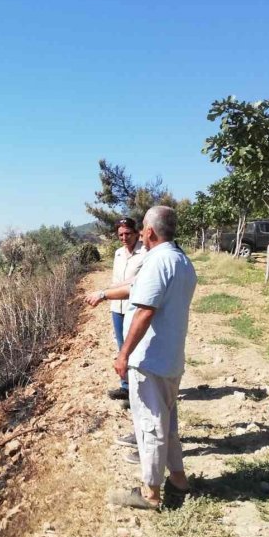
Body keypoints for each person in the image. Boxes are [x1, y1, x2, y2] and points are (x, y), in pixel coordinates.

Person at [111, 205, 197, 509]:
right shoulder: (182, 260)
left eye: (143, 228)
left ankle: (151, 494)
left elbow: (145, 310)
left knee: (150, 426)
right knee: (168, 424)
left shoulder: (158, 261)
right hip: (171, 359)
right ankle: (178, 479)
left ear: (148, 231)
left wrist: (123, 354)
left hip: (151, 361)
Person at [85, 218, 145, 403]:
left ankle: (139, 390)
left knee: (134, 348)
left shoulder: (145, 252)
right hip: (117, 308)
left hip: (133, 307)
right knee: (121, 347)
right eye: (121, 234)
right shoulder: (118, 253)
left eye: (128, 233)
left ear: (136, 233)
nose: (124, 237)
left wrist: (106, 292)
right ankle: (126, 387)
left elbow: (137, 282)